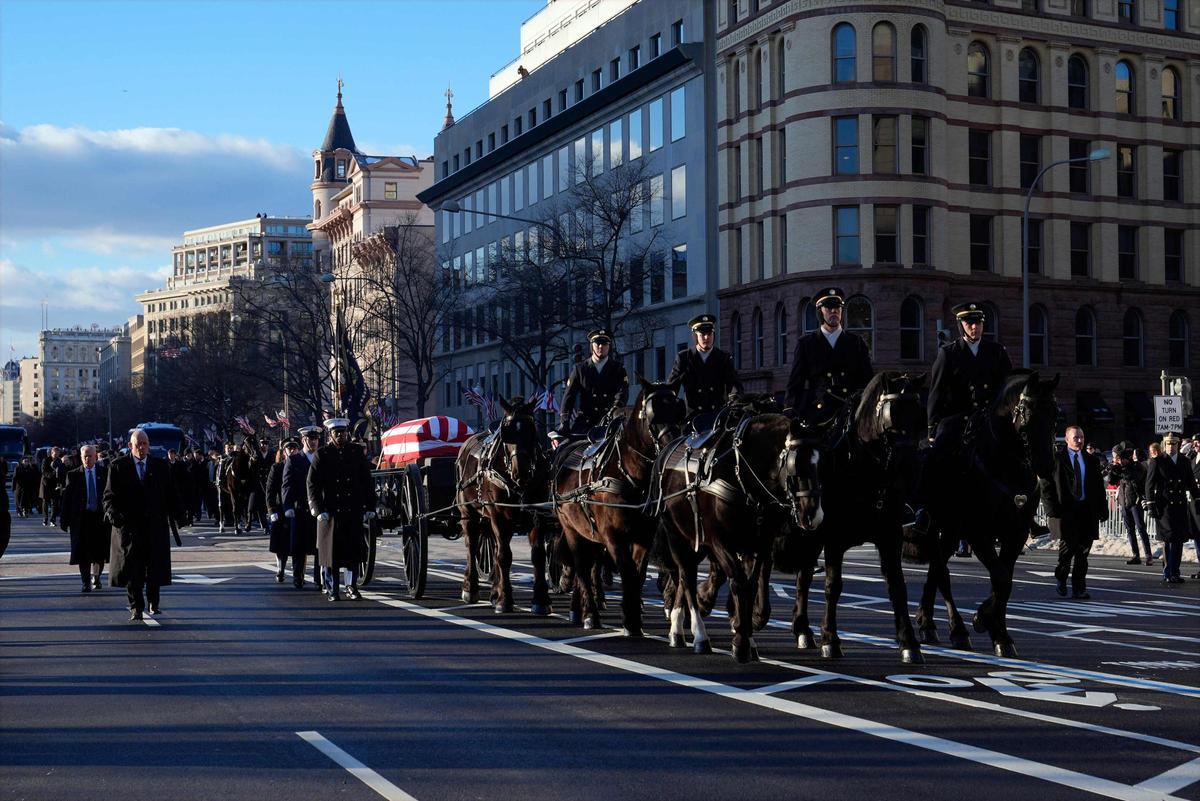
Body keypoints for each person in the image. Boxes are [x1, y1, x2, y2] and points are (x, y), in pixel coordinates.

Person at [103, 429, 183, 621]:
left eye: (145, 444)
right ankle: (136, 607)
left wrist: (179, 514)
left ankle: (154, 603)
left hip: (154, 527)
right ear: (130, 446)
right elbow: (109, 497)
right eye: (138, 444)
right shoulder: (118, 466)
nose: (142, 447)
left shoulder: (161, 466)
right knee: (133, 569)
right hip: (130, 528)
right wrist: (114, 515)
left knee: (154, 566)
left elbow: (171, 494)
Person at [783, 287, 874, 429]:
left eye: (838, 308)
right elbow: (796, 382)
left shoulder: (856, 342)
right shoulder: (806, 344)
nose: (834, 311)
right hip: (818, 411)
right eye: (829, 308)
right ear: (820, 312)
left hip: (851, 412)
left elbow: (868, 380)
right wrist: (790, 409)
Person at [307, 418, 376, 601]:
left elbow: (366, 480)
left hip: (351, 510)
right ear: (331, 435)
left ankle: (352, 586)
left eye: (343, 433)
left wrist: (370, 506)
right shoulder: (322, 454)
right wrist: (317, 508)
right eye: (337, 433)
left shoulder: (355, 452)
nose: (340, 436)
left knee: (352, 553)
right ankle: (332, 589)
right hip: (330, 512)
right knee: (331, 555)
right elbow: (312, 484)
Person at [927, 302, 1013, 441]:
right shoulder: (948, 353)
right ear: (961, 325)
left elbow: (1008, 386)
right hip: (959, 422)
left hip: (991, 421)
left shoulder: (996, 351)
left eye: (978, 323)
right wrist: (932, 428)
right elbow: (937, 392)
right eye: (969, 323)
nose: (975, 327)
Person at [1041, 426, 1108, 599]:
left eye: (1082, 437)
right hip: (1066, 512)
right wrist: (1051, 508)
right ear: (1067, 439)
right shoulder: (1057, 460)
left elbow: (1099, 487)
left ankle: (1079, 587)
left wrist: (1102, 508)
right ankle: (1061, 578)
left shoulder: (1091, 460)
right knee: (1067, 549)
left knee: (1083, 553)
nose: (1079, 440)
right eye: (1076, 437)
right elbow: (1046, 486)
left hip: (1087, 511)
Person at [1144, 432, 1198, 585]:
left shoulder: (1184, 461)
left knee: (1179, 539)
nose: (1170, 447)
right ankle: (1168, 571)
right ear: (1164, 445)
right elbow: (1149, 485)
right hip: (1165, 506)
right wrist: (1151, 504)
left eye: (1173, 444)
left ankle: (1176, 571)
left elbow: (1191, 483)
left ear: (1178, 445)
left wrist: (1197, 498)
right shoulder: (1158, 461)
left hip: (1180, 505)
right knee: (1169, 540)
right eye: (1168, 444)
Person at [668, 313, 743, 421]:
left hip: (717, 418)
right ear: (695, 336)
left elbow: (734, 384)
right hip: (692, 418)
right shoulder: (684, 358)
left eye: (709, 334)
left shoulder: (723, 358)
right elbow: (672, 386)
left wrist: (735, 400)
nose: (706, 337)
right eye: (702, 334)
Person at [559, 329, 630, 436]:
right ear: (592, 345)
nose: (601, 347)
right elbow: (569, 397)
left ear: (609, 346)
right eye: (597, 343)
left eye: (604, 343)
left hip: (610, 421)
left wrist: (615, 408)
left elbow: (622, 393)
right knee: (566, 449)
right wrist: (564, 421)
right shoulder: (580, 369)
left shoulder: (618, 369)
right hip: (585, 423)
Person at [60, 445, 110, 592]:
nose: (88, 459)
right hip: (81, 518)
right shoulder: (73, 475)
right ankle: (85, 581)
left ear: (96, 456)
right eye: (85, 456)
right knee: (83, 553)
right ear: (81, 458)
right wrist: (64, 520)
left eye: (90, 456)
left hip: (100, 518)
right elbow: (67, 499)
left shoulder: (104, 473)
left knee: (99, 552)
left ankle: (97, 576)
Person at [283, 426, 322, 589]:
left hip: (319, 507)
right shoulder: (294, 460)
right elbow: (287, 485)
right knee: (299, 545)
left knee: (320, 545)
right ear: (303, 440)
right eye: (310, 439)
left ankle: (319, 578)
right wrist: (288, 506)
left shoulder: (322, 458)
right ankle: (298, 576)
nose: (313, 442)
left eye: (315, 439)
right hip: (300, 508)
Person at [1105, 442, 1153, 566]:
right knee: (1129, 530)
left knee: (1141, 528)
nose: (1119, 461)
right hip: (1123, 501)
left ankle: (1148, 555)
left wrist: (1120, 470)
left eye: (1120, 459)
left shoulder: (1136, 466)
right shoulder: (1120, 468)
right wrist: (1112, 470)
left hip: (1135, 501)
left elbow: (1133, 478)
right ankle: (1135, 555)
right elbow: (1111, 480)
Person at [265, 440, 295, 582]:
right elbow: (270, 491)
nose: (292, 450)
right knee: (280, 544)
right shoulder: (277, 468)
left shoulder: (302, 465)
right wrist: (271, 510)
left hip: (296, 509)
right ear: (284, 452)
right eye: (289, 448)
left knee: (297, 543)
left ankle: (298, 572)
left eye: (295, 448)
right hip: (280, 509)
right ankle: (280, 568)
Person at [40, 447, 66, 527]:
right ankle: (45, 518)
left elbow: (62, 472)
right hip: (46, 483)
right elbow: (43, 471)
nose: (57, 455)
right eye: (55, 453)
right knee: (45, 501)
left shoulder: (59, 460)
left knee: (54, 502)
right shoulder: (46, 460)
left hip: (55, 484)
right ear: (52, 453)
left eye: (58, 453)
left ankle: (53, 520)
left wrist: (61, 483)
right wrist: (52, 474)